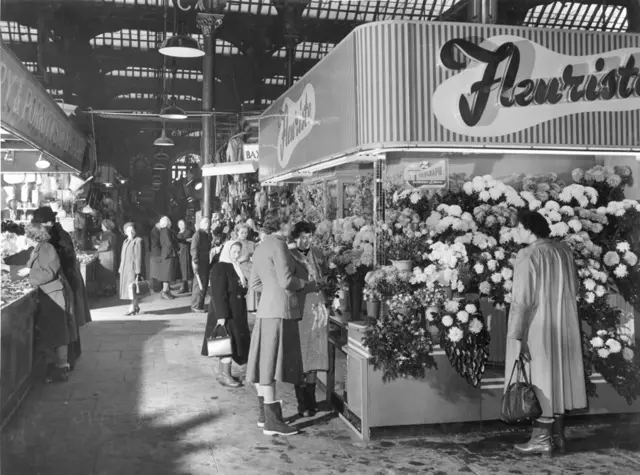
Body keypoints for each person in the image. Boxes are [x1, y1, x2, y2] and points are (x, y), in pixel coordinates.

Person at [506, 210, 587, 456]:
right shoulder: (563, 252)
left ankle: (541, 439)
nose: (513, 231)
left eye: (515, 226)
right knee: (559, 377)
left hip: (537, 328)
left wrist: (518, 337)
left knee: (540, 380)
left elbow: (522, 300)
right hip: (564, 326)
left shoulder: (528, 254)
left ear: (527, 228)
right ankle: (558, 435)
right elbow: (574, 288)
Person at [246, 212, 308, 436]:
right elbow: (286, 280)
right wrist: (306, 283)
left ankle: (265, 416)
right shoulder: (280, 245)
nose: (291, 225)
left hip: (265, 310)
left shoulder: (261, 246)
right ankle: (273, 423)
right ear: (281, 224)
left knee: (264, 362)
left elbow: (254, 283)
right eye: (289, 221)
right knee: (271, 364)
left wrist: (271, 291)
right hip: (280, 310)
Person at [32, 206, 91, 370]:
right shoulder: (55, 234)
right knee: (67, 324)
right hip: (64, 280)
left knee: (65, 324)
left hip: (65, 281)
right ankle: (69, 358)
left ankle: (66, 361)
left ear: (48, 222)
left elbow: (58, 263)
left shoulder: (56, 237)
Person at [19, 223, 77, 383]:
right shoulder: (40, 248)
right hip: (48, 294)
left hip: (54, 294)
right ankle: (56, 366)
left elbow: (49, 272)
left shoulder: (46, 248)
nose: (25, 238)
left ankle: (61, 369)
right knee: (52, 331)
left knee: (58, 331)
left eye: (26, 235)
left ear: (33, 236)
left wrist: (30, 272)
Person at [289, 221, 329, 417]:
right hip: (301, 307)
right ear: (296, 238)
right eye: (302, 236)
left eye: (309, 236)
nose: (306, 240)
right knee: (302, 355)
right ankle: (301, 403)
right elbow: (288, 283)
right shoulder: (289, 256)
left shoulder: (319, 254)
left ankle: (311, 399)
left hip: (319, 306)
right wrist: (310, 286)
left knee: (315, 353)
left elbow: (328, 276)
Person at [201, 241, 251, 388]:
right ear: (227, 251)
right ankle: (224, 375)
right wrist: (221, 316)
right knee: (226, 343)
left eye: (238, 252)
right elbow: (217, 293)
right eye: (233, 252)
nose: (236, 255)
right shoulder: (220, 267)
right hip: (226, 312)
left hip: (235, 312)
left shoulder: (235, 267)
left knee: (230, 343)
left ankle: (224, 373)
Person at [119, 222, 144, 316]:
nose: (130, 232)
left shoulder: (138, 241)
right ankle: (135, 306)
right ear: (125, 232)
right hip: (125, 269)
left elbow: (138, 257)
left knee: (132, 289)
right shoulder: (125, 241)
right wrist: (121, 268)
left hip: (132, 270)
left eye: (132, 230)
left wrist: (138, 272)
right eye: (128, 230)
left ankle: (132, 307)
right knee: (129, 289)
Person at [191, 217, 212, 312]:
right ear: (200, 224)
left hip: (205, 262)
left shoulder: (206, 235)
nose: (207, 224)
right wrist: (195, 261)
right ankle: (196, 305)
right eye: (205, 222)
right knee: (198, 284)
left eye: (208, 222)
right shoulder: (197, 235)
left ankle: (200, 304)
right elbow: (194, 249)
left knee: (203, 283)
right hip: (199, 262)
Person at [157, 216, 179, 299]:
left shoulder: (165, 230)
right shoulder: (166, 230)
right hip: (168, 254)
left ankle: (167, 291)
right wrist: (176, 249)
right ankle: (164, 291)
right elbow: (169, 242)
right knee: (167, 274)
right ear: (167, 222)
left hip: (168, 254)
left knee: (169, 273)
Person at [96, 219, 118, 296]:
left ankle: (107, 291)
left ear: (105, 226)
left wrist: (97, 247)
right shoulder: (112, 234)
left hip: (106, 257)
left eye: (102, 226)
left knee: (106, 274)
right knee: (111, 274)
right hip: (111, 256)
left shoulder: (106, 234)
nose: (101, 227)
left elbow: (105, 246)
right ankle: (113, 288)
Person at [177, 219, 194, 294]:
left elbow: (185, 240)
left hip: (187, 252)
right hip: (181, 252)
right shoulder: (178, 233)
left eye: (182, 223)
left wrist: (178, 239)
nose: (180, 225)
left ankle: (192, 286)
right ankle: (184, 286)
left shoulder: (188, 232)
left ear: (185, 224)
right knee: (182, 269)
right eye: (179, 223)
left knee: (189, 269)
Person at [149, 220, 162, 292]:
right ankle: (157, 288)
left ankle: (159, 287)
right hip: (156, 254)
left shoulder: (156, 231)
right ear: (158, 224)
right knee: (156, 272)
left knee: (157, 271)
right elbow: (159, 242)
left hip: (156, 253)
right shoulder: (155, 231)